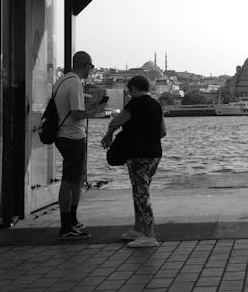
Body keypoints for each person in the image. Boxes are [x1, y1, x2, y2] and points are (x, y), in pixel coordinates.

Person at [102, 75, 166, 248]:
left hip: (138, 154)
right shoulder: (156, 105)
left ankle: (149, 234)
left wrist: (109, 135)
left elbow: (116, 121)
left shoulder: (134, 104)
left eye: (129, 90)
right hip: (154, 154)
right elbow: (162, 132)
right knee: (140, 191)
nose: (129, 94)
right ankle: (139, 228)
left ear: (134, 88)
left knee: (141, 194)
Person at [53, 51, 106, 240]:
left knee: (74, 180)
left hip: (62, 134)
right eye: (91, 67)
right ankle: (66, 226)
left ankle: (72, 220)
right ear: (85, 65)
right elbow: (76, 114)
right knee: (69, 181)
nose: (91, 71)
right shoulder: (75, 82)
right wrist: (96, 110)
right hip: (72, 136)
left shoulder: (61, 81)